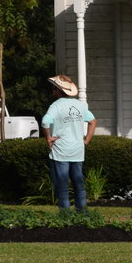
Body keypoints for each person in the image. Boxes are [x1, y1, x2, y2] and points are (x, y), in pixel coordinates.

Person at [41, 74, 97, 211]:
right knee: (78, 183)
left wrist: (48, 138)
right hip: (77, 150)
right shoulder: (79, 105)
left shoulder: (56, 106)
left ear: (59, 91)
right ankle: (82, 212)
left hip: (60, 151)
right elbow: (93, 121)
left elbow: (45, 122)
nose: (53, 91)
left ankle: (65, 214)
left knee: (62, 184)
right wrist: (86, 140)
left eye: (54, 88)